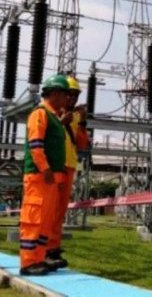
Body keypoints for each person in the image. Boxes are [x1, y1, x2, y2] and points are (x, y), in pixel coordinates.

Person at [19, 74, 70, 276]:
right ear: (55, 94)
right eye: (65, 95)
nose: (67, 99)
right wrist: (45, 168)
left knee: (45, 222)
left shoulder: (54, 117)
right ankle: (28, 262)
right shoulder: (39, 114)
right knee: (34, 219)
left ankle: (39, 259)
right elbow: (36, 145)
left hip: (50, 179)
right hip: (39, 177)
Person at [45, 75, 89, 270]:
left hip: (69, 166)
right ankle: (44, 249)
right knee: (50, 209)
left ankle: (53, 248)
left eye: (75, 95)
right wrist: (62, 122)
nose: (72, 99)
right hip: (54, 166)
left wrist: (82, 123)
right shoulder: (51, 113)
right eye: (69, 94)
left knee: (60, 210)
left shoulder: (76, 116)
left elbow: (81, 144)